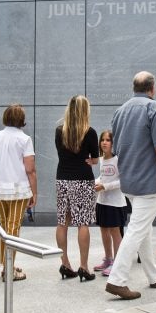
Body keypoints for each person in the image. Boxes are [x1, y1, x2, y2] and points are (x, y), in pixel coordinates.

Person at [106, 71, 156, 300]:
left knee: (142, 228)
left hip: (129, 181)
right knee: (137, 230)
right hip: (149, 183)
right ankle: (117, 280)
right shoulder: (155, 108)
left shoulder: (120, 111)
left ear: (134, 87)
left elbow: (115, 147)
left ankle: (154, 276)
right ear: (152, 88)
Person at [0, 104, 37, 282]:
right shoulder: (25, 139)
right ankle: (8, 269)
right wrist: (34, 192)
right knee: (13, 228)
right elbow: (30, 169)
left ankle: (7, 265)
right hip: (18, 189)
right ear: (21, 119)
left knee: (4, 227)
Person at [55, 95, 99, 281]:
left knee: (62, 222)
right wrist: (90, 160)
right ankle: (84, 266)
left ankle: (65, 263)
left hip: (62, 179)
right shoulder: (90, 132)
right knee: (82, 223)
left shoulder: (59, 131)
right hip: (82, 179)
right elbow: (95, 159)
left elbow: (62, 154)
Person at [93, 130, 127, 277]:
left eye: (108, 140)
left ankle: (117, 263)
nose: (105, 142)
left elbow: (122, 181)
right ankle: (108, 259)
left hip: (116, 203)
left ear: (113, 143)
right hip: (102, 201)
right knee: (103, 230)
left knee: (115, 232)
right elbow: (103, 176)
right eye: (103, 140)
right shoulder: (101, 159)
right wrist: (94, 183)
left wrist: (104, 186)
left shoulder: (118, 159)